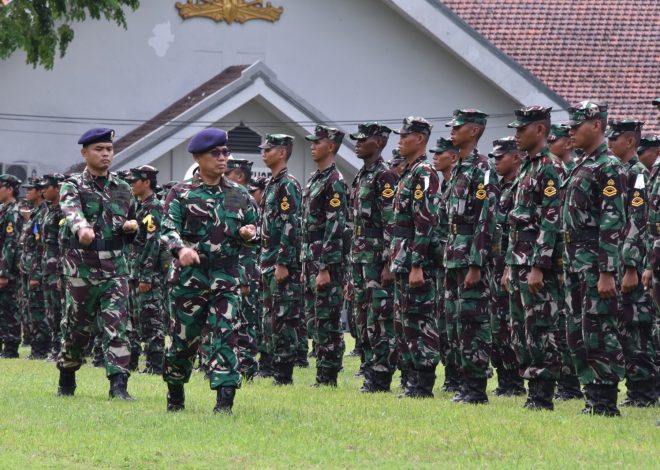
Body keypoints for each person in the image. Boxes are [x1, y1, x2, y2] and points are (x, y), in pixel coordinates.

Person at [161, 128, 257, 414]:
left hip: (226, 276)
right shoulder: (181, 193)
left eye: (225, 153)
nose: (223, 158)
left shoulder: (240, 195)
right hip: (190, 278)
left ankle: (224, 402)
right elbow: (166, 229)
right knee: (183, 341)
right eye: (215, 153)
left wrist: (249, 232)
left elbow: (256, 230)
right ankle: (175, 394)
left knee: (226, 335)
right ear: (197, 157)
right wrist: (181, 249)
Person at [57, 128, 138, 400]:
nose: (105, 154)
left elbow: (133, 222)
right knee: (77, 328)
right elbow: (71, 211)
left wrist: (131, 227)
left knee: (118, 325)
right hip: (82, 268)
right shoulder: (73, 185)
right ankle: (67, 377)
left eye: (109, 149)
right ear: (85, 153)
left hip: (115, 269)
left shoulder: (124, 188)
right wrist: (81, 227)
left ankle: (118, 386)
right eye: (99, 149)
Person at [562, 101, 626, 416]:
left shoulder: (609, 166)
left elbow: (612, 222)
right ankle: (592, 396)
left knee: (599, 330)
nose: (570, 132)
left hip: (594, 265)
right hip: (576, 262)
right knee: (578, 333)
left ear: (597, 125)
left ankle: (605, 401)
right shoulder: (583, 163)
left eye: (576, 127)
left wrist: (606, 271)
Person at [503, 106, 562, 410]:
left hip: (534, 264)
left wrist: (539, 266)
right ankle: (532, 389)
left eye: (521, 129)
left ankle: (542, 394)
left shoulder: (549, 167)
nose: (516, 135)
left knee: (539, 326)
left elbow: (551, 220)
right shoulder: (528, 167)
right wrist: (508, 265)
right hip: (517, 259)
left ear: (539, 130)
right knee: (520, 329)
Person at [444, 109, 499, 404]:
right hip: (453, 258)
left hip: (469, 261)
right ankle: (464, 384)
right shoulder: (460, 168)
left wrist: (476, 263)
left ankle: (476, 388)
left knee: (472, 324)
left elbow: (484, 219)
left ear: (474, 131)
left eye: (458, 127)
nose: (452, 131)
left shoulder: (481, 169)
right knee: (455, 323)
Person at [606, 120, 656, 407]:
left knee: (638, 327)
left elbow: (638, 222)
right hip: (622, 260)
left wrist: (631, 267)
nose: (610, 144)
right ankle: (637, 390)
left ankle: (644, 392)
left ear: (630, 141)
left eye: (616, 139)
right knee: (627, 326)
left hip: (632, 264)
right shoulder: (622, 172)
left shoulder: (637, 174)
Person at [390, 116, 440, 398]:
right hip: (402, 259)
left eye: (405, 135)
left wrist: (417, 264)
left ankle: (422, 384)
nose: (400, 140)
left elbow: (425, 222)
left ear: (419, 138)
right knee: (404, 323)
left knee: (420, 321)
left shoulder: (424, 173)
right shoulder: (409, 173)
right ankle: (410, 381)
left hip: (414, 262)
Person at [348, 122, 398, 392]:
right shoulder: (362, 175)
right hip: (360, 258)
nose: (357, 143)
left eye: (363, 139)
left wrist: (390, 262)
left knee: (378, 318)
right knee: (362, 316)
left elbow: (391, 221)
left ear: (378, 142)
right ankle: (368, 369)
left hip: (377, 260)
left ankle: (380, 375)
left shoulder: (384, 176)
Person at [302, 125, 348, 387]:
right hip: (311, 258)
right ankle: (322, 371)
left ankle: (328, 374)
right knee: (316, 317)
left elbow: (335, 226)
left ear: (330, 146)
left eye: (317, 142)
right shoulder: (315, 179)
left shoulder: (334, 182)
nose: (312, 146)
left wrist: (325, 267)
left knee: (328, 317)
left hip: (325, 262)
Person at [258, 134, 303, 385]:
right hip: (268, 260)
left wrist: (283, 262)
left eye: (269, 149)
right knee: (270, 317)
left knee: (284, 317)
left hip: (280, 262)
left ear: (282, 152)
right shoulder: (272, 184)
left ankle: (284, 374)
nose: (264, 153)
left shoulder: (288, 185)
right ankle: (273, 366)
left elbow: (291, 225)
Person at [489, 137, 525, 396]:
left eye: (500, 157)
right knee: (496, 325)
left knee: (511, 323)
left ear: (516, 158)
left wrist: (509, 266)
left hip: (512, 263)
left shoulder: (521, 185)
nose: (495, 161)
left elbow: (517, 232)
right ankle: (504, 379)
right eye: (494, 157)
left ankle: (514, 381)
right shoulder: (496, 187)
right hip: (494, 262)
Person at [125, 165, 166, 375]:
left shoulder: (154, 208)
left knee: (151, 319)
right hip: (135, 271)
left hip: (146, 275)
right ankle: (133, 362)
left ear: (147, 182)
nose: (132, 184)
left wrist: (146, 275)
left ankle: (155, 365)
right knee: (135, 319)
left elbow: (153, 243)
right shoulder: (140, 207)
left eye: (135, 180)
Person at [429, 137, 461, 393]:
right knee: (444, 322)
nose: (435, 157)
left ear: (453, 157)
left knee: (459, 321)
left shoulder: (461, 183)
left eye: (440, 153)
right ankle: (451, 376)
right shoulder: (445, 187)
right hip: (443, 264)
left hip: (456, 262)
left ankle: (460, 375)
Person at [225, 158, 260, 380]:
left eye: (229, 173)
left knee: (245, 320)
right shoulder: (229, 199)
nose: (224, 176)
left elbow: (250, 245)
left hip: (244, 271)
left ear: (239, 176)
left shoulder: (246, 201)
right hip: (232, 271)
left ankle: (248, 367)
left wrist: (246, 278)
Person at [35, 173, 66, 361]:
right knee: (51, 311)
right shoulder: (48, 210)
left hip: (59, 269)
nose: (43, 191)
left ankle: (62, 349)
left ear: (57, 188)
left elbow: (65, 243)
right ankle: (55, 349)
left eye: (47, 187)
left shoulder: (65, 211)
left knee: (60, 310)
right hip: (47, 267)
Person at [20, 177, 50, 359]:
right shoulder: (35, 213)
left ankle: (41, 349)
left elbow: (41, 247)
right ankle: (36, 348)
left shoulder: (43, 213)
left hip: (36, 271)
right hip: (28, 268)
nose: (27, 192)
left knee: (39, 310)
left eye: (31, 189)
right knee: (31, 309)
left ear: (40, 192)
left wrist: (36, 274)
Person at [0, 175, 24, 358]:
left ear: (9, 189)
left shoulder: (13, 212)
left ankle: (10, 348)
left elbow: (11, 244)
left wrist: (4, 272)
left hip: (8, 270)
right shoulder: (3, 210)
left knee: (9, 308)